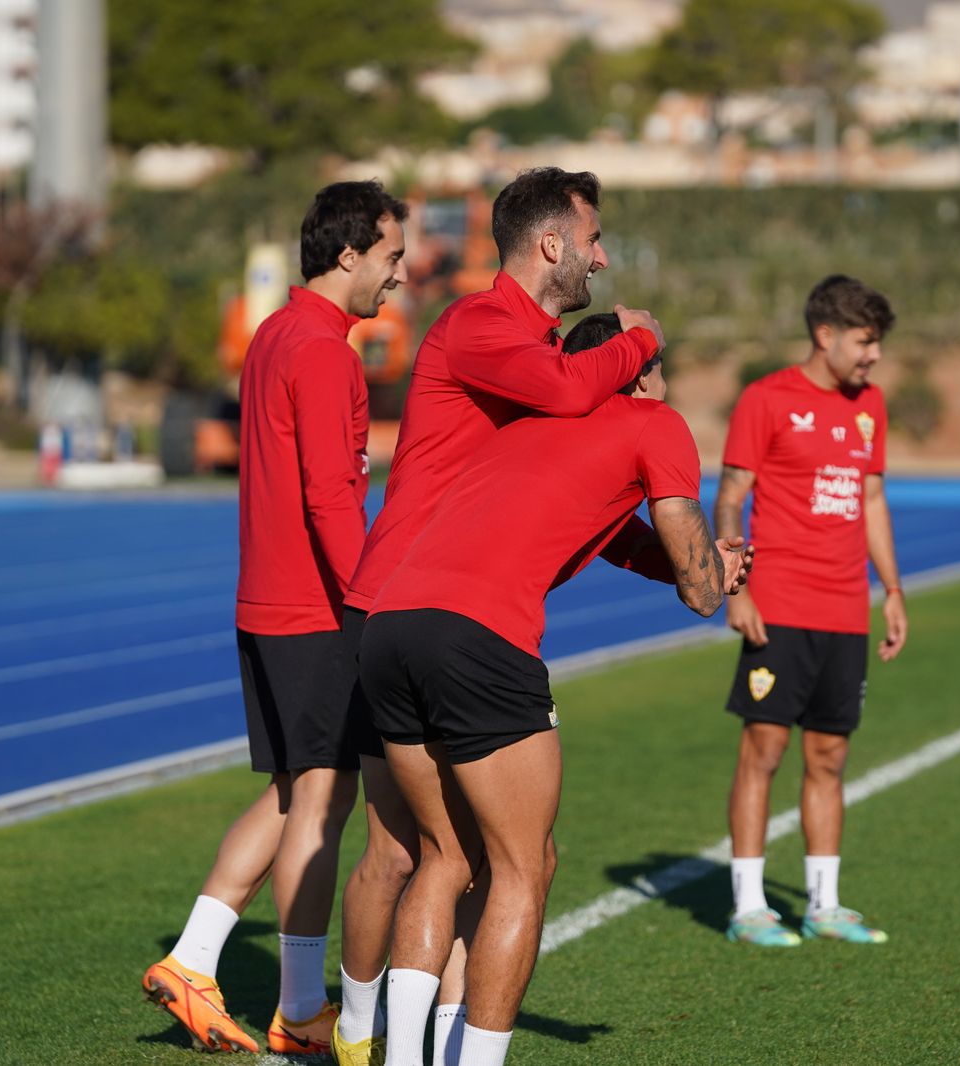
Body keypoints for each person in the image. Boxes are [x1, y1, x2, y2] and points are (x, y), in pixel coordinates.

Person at [333, 168, 665, 1066]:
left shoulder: (545, 354)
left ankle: (408, 1042)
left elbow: (588, 508)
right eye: (593, 240)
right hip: (405, 601)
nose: (602, 258)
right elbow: (568, 394)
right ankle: (353, 1034)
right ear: (551, 244)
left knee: (456, 857)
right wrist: (641, 342)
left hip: (436, 611)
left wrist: (677, 565)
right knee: (408, 853)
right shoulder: (483, 325)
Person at [360, 313, 751, 1066]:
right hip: (477, 637)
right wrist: (712, 568)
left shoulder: (526, 427)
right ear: (636, 371)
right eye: (658, 364)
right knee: (524, 866)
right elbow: (704, 592)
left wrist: (691, 561)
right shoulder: (655, 421)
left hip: (390, 625)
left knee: (445, 856)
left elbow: (615, 533)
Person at [141, 181, 408, 1056]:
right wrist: (371, 602)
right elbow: (331, 497)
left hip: (267, 600)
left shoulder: (274, 334)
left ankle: (194, 960)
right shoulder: (326, 352)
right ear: (348, 254)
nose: (399, 276)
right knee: (321, 802)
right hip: (315, 607)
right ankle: (296, 1010)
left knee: (297, 791)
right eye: (391, 257)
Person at [715, 274, 906, 949]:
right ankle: (748, 908)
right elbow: (731, 497)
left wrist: (892, 588)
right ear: (825, 335)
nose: (874, 356)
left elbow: (872, 499)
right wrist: (735, 587)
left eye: (877, 343)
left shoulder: (870, 404)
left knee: (829, 755)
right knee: (763, 750)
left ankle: (824, 904)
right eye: (865, 341)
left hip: (845, 609)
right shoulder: (766, 399)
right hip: (779, 605)